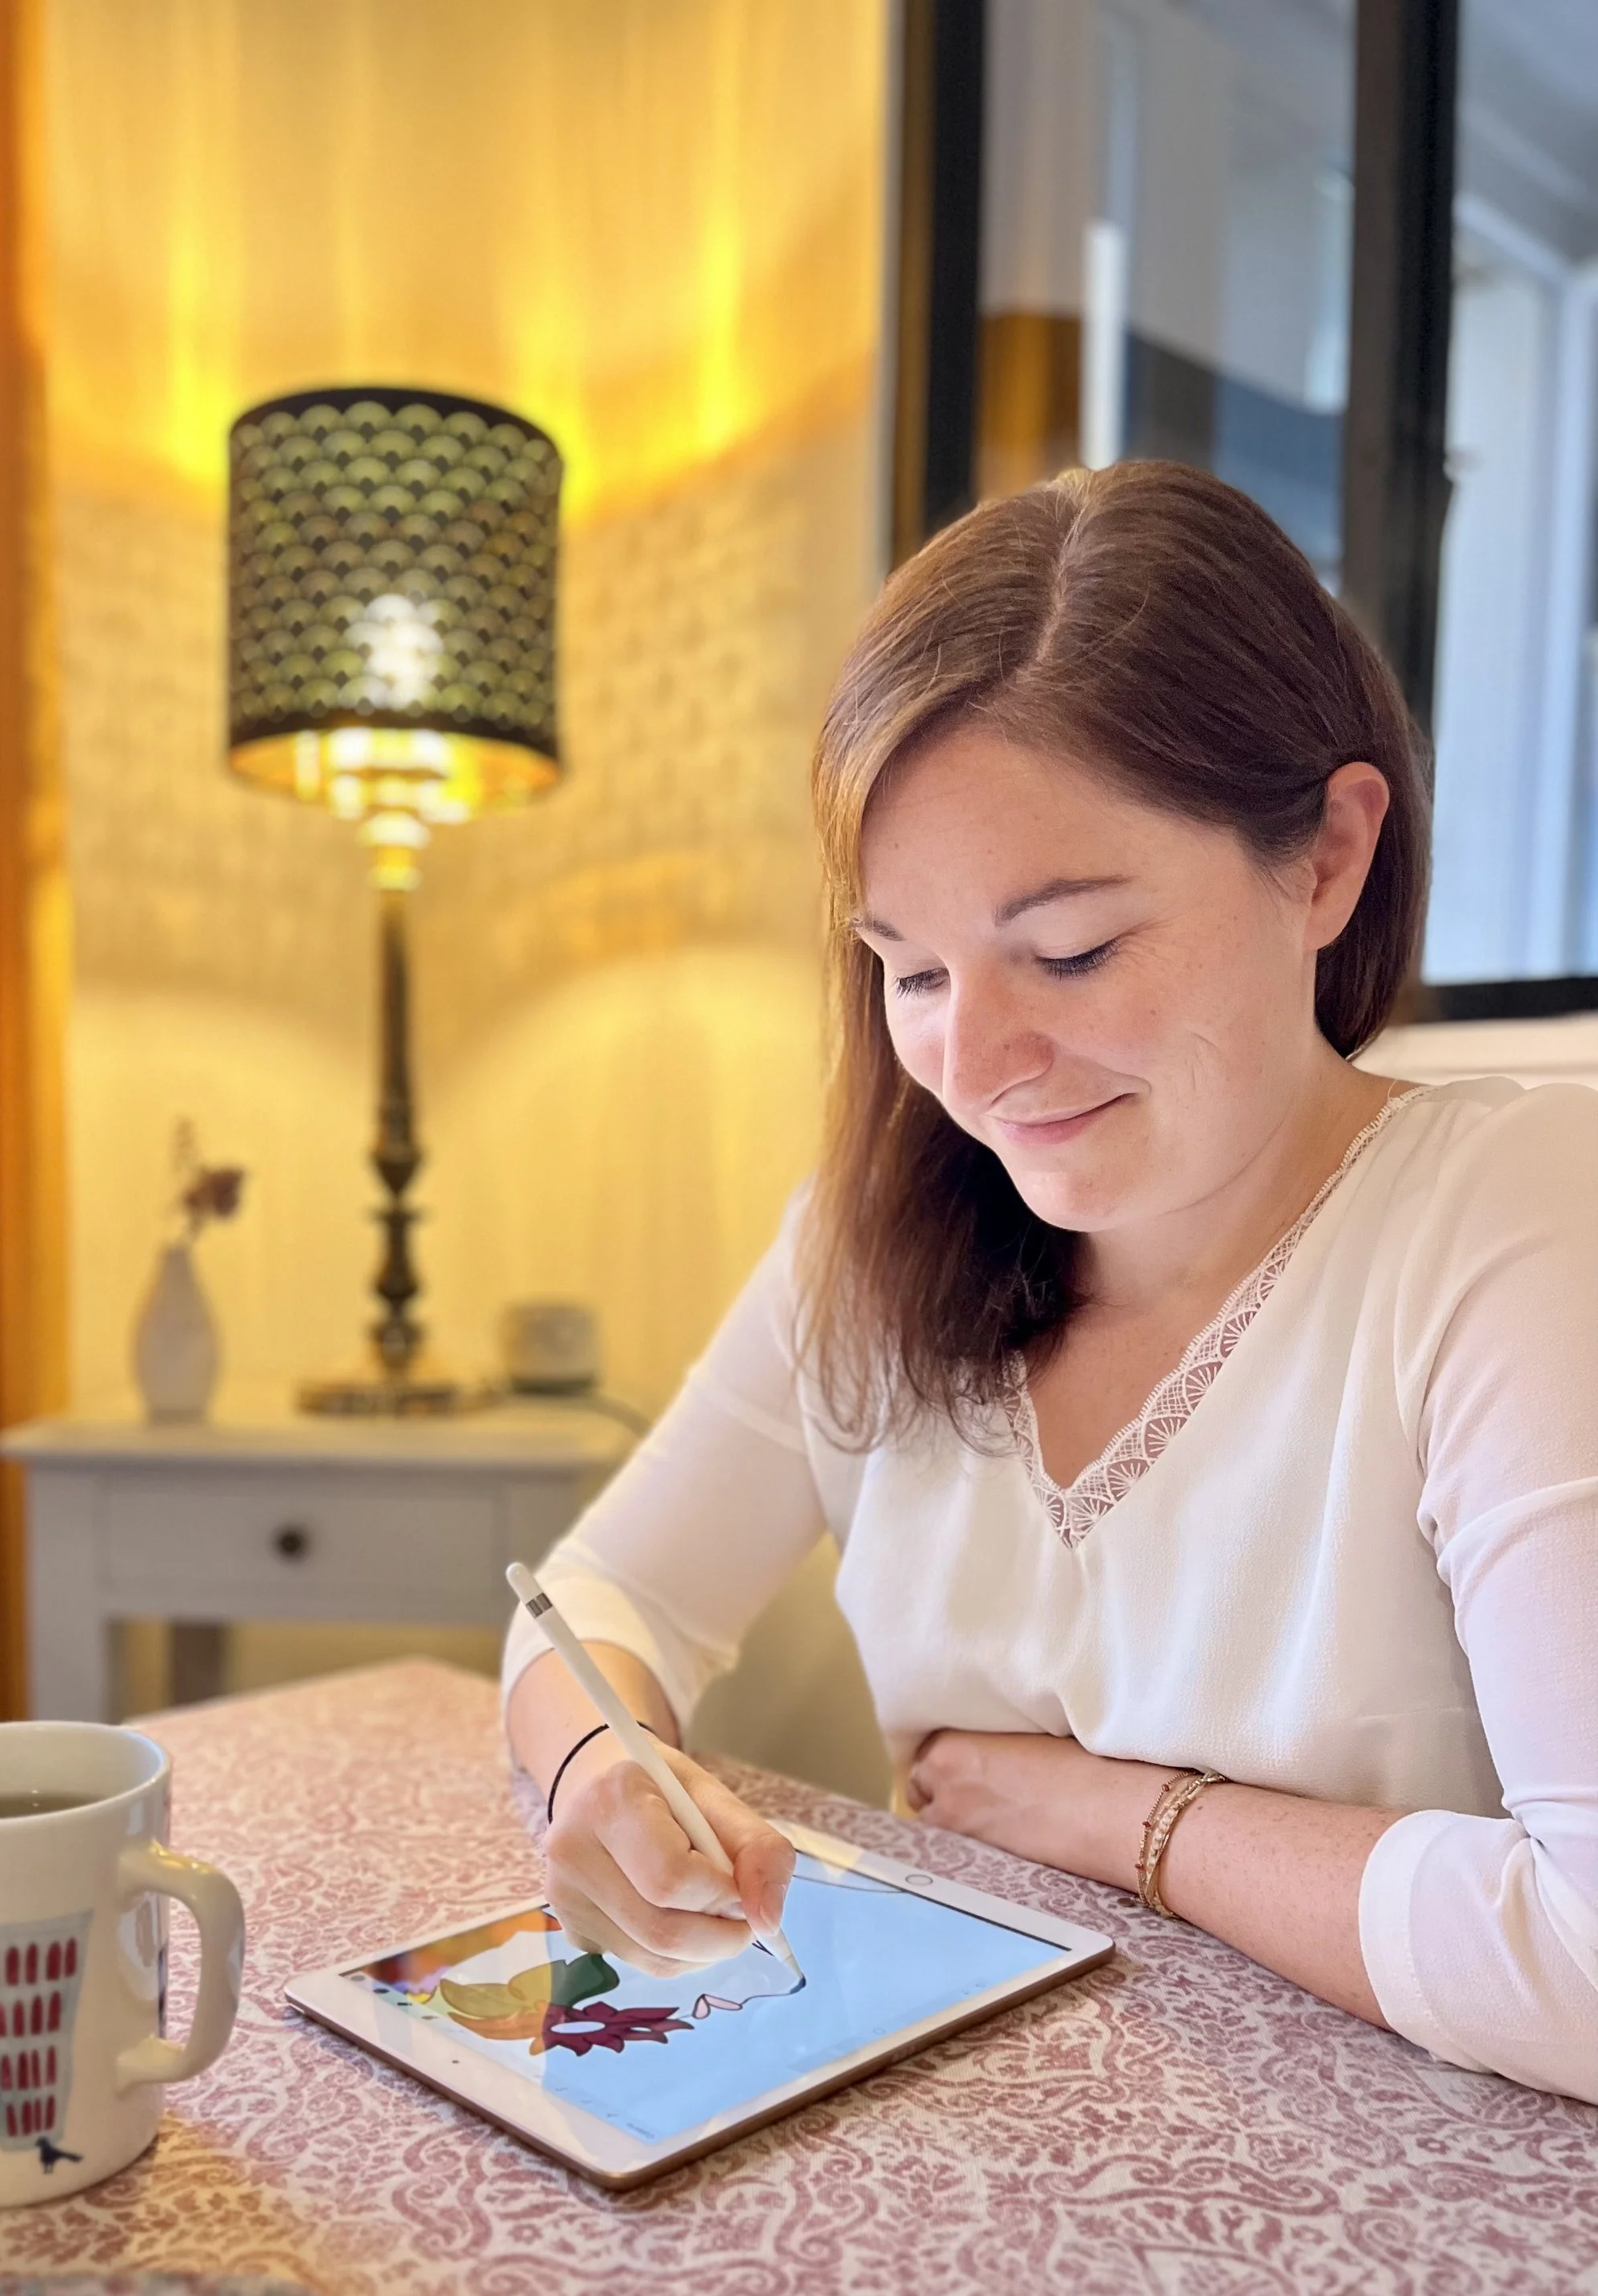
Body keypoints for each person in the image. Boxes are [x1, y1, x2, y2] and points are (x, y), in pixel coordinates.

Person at [503, 459, 1598, 2105]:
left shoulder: (1509, 1216)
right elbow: (597, 1603)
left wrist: (1113, 1816)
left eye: (1071, 950)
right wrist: (598, 1759)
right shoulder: (872, 1235)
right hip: (978, 2170)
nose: (977, 1059)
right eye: (912, 970)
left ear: (1325, 856)